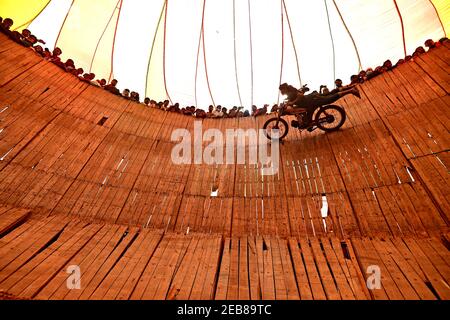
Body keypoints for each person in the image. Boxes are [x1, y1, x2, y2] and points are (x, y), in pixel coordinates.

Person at [279, 82, 360, 127]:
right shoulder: (290, 92)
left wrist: (291, 103)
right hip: (310, 100)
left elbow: (300, 96)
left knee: (330, 98)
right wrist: (288, 102)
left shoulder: (290, 92)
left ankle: (351, 90)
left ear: (284, 88)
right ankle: (350, 87)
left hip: (311, 101)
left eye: (281, 90)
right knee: (329, 94)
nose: (281, 92)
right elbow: (298, 95)